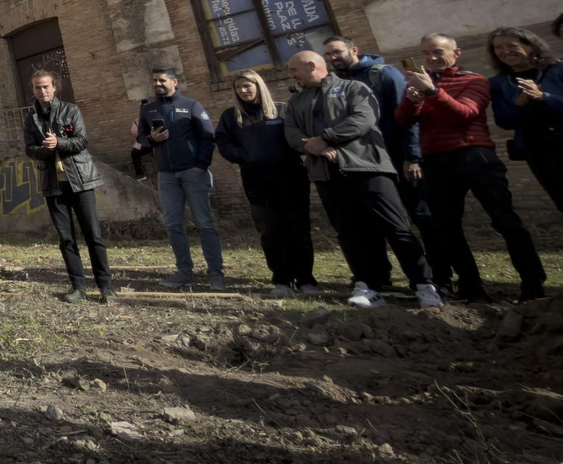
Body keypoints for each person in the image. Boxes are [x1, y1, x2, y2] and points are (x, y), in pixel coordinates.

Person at [285, 50, 442, 310]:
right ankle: (367, 284)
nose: (291, 75)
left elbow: (363, 119)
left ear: (312, 66)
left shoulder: (353, 88)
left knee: (395, 226)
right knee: (348, 231)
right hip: (325, 173)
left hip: (367, 166)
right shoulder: (296, 101)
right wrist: (315, 147)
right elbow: (291, 132)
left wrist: (327, 137)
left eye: (294, 69)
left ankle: (424, 284)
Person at [397, 33, 546, 302]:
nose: (431, 58)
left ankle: (533, 283)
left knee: (505, 221)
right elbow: (404, 120)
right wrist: (413, 98)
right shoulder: (425, 81)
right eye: (425, 53)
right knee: (446, 227)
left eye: (437, 52)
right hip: (435, 160)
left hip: (475, 157)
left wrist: (432, 91)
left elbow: (464, 113)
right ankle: (470, 285)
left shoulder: (474, 79)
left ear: (456, 53)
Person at [323, 35, 447, 294]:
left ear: (353, 49)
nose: (332, 58)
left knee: (419, 216)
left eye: (336, 52)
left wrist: (412, 156)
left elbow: (409, 114)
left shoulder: (383, 74)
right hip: (366, 163)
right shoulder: (338, 83)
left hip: (397, 158)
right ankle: (380, 276)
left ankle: (438, 277)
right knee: (371, 220)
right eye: (328, 55)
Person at [214, 70, 316, 298]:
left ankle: (306, 280)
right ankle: (281, 279)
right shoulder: (231, 117)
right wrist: (244, 156)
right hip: (257, 181)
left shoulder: (281, 110)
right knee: (270, 231)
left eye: (247, 86)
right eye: (238, 87)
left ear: (259, 86)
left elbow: (298, 136)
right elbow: (223, 142)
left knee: (298, 229)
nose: (243, 90)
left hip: (291, 178)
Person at [21, 70, 110, 304]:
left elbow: (81, 140)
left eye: (46, 87)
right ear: (33, 91)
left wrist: (59, 142)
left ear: (54, 87)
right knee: (66, 238)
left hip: (80, 181)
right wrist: (45, 149)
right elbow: (29, 149)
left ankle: (106, 287)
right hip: (53, 184)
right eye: (38, 88)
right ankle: (77, 287)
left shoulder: (71, 110)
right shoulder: (31, 118)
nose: (42, 91)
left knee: (93, 236)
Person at [136, 67, 224, 290]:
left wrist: (201, 166)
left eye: (162, 80)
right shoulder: (148, 109)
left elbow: (208, 136)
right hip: (166, 176)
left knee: (204, 224)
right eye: (155, 80)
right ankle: (184, 272)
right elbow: (141, 139)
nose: (158, 84)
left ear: (175, 83)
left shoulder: (191, 105)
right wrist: (152, 139)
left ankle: (216, 273)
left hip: (193, 173)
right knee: (173, 225)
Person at [488, 26, 563, 214]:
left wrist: (543, 96)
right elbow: (504, 121)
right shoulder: (498, 82)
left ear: (530, 45)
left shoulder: (558, 69)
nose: (505, 52)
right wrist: (519, 104)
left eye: (511, 45)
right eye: (498, 48)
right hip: (537, 149)